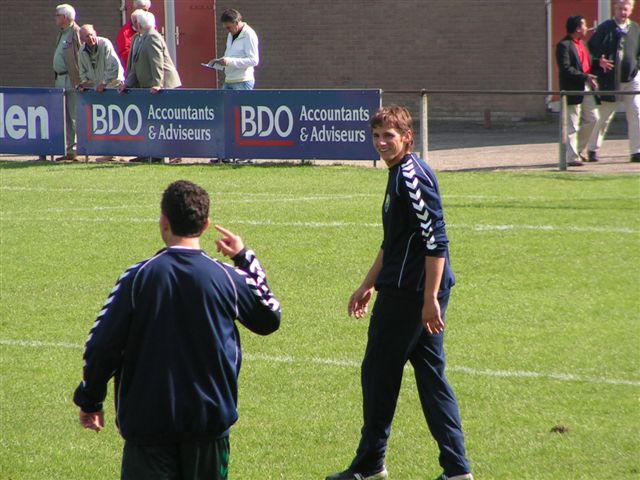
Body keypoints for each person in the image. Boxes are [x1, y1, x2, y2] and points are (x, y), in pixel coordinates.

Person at [73, 179, 281, 480]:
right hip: (208, 424)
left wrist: (90, 399)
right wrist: (244, 257)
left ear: (164, 221)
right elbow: (269, 317)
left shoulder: (138, 278)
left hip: (149, 426)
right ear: (207, 225)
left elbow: (102, 346)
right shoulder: (228, 279)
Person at [326, 106, 473, 480]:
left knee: (378, 374)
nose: (381, 143)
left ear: (407, 138)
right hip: (410, 293)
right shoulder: (398, 174)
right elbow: (394, 243)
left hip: (410, 298)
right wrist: (367, 283)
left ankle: (370, 465)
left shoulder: (411, 176)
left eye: (388, 136)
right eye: (376, 136)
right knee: (431, 378)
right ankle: (457, 469)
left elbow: (435, 241)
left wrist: (429, 300)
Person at [119, 10, 181, 163]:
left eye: (134, 21)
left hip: (161, 86)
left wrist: (157, 84)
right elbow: (133, 66)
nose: (133, 24)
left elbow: (157, 63)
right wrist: (126, 84)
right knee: (147, 121)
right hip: (145, 87)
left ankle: (165, 155)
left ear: (138, 23)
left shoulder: (153, 37)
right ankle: (147, 153)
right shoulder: (137, 39)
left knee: (161, 121)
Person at [587, 0, 640, 162]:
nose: (622, 12)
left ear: (631, 10)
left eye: (625, 9)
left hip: (631, 79)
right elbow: (592, 48)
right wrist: (598, 61)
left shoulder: (635, 29)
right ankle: (592, 149)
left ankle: (636, 151)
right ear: (614, 9)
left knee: (636, 113)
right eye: (619, 9)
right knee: (604, 116)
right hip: (610, 80)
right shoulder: (605, 27)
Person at [207, 8, 260, 165]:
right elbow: (231, 55)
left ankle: (248, 156)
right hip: (229, 80)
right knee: (224, 117)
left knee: (242, 119)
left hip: (243, 81)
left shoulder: (249, 34)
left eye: (229, 27)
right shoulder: (231, 35)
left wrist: (231, 62)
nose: (227, 31)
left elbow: (254, 60)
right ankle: (226, 155)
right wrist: (222, 63)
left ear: (237, 23)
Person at [556, 15, 600, 166]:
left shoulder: (582, 44)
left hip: (586, 86)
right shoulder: (564, 45)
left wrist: (598, 62)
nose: (587, 28)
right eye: (584, 25)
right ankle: (572, 157)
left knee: (594, 119)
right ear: (577, 28)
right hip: (572, 88)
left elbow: (585, 62)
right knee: (572, 123)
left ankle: (578, 149)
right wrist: (585, 76)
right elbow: (566, 68)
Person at [52, 3, 81, 161]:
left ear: (65, 17)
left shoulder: (76, 32)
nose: (55, 18)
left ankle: (77, 149)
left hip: (72, 80)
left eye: (57, 15)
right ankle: (70, 150)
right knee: (67, 117)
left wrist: (80, 80)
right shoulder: (61, 33)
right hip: (60, 79)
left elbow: (80, 56)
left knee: (75, 114)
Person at [78, 24, 124, 92]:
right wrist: (85, 83)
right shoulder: (82, 50)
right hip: (99, 89)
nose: (91, 38)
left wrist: (104, 83)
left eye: (91, 35)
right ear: (82, 39)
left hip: (114, 85)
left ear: (95, 33)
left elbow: (113, 66)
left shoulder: (105, 43)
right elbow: (82, 71)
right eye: (87, 36)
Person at [115, 0, 151, 72]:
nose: (142, 13)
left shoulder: (151, 27)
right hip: (134, 72)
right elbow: (124, 54)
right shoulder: (125, 32)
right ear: (133, 9)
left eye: (145, 10)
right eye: (139, 10)